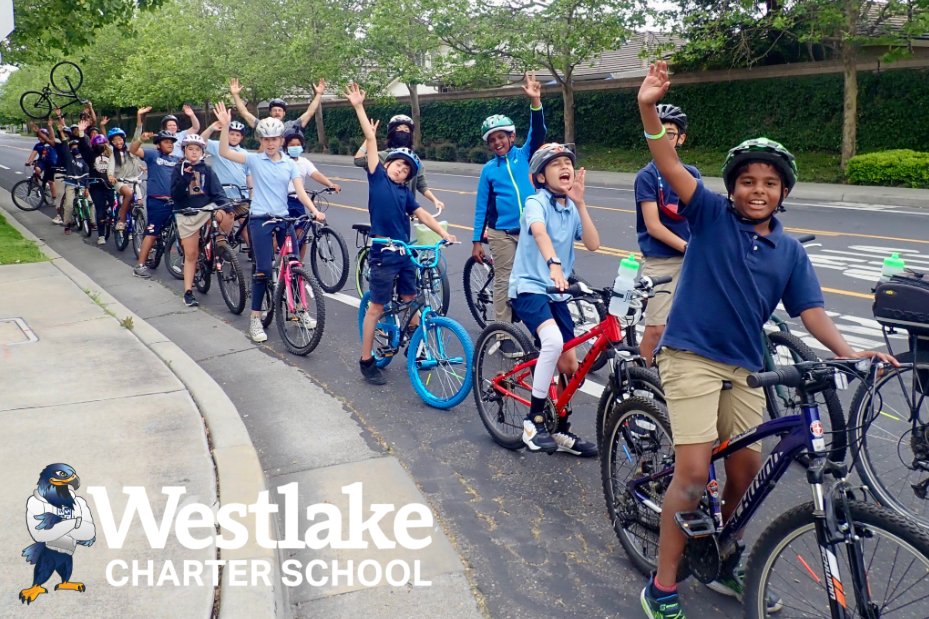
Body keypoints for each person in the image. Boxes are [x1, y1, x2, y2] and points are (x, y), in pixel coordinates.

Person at [635, 61, 898, 619]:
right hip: (690, 358)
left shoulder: (790, 252)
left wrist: (850, 353)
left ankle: (722, 556)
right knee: (691, 471)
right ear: (732, 188)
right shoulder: (708, 215)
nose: (758, 191)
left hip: (746, 366)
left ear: (783, 193)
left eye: (770, 184)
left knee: (747, 471)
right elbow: (668, 161)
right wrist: (647, 109)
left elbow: (810, 311)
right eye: (748, 181)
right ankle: (661, 585)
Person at [345, 83, 455, 385]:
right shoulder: (377, 178)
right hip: (382, 253)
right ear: (386, 164)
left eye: (407, 170)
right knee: (376, 307)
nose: (401, 171)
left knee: (411, 298)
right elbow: (369, 139)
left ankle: (419, 347)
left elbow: (422, 214)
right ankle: (366, 360)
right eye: (397, 165)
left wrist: (445, 236)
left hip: (405, 252)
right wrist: (359, 107)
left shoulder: (405, 194)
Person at [507, 143, 600, 456]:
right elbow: (539, 232)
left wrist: (582, 204)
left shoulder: (570, 207)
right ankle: (533, 421)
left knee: (570, 364)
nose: (564, 167)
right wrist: (554, 264)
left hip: (556, 292)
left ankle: (561, 429)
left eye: (567, 162)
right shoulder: (537, 202)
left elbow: (593, 244)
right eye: (555, 163)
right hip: (530, 287)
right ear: (540, 177)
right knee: (552, 342)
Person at [212, 101, 326, 344]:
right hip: (260, 220)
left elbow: (300, 192)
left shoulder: (289, 164)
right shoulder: (253, 160)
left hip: (284, 220)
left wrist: (315, 210)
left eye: (275, 138)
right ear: (260, 141)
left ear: (281, 140)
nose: (271, 143)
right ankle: (255, 319)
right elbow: (224, 152)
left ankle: (300, 312)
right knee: (263, 270)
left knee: (294, 266)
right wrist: (223, 127)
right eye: (266, 139)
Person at [472, 73, 546, 324]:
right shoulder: (489, 170)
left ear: (512, 137)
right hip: (501, 232)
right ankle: (502, 330)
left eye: (501, 136)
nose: (497, 142)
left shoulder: (525, 154)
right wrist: (476, 241)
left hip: (530, 227)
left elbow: (538, 132)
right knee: (504, 278)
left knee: (537, 275)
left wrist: (535, 102)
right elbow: (481, 207)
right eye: (492, 140)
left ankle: (540, 324)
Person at [633, 103, 700, 367]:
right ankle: (640, 383)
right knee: (656, 329)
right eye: (657, 132)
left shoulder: (691, 174)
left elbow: (701, 215)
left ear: (681, 138)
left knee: (690, 325)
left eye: (669, 133)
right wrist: (688, 247)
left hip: (691, 260)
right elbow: (654, 226)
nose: (663, 138)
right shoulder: (646, 177)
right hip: (661, 261)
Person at [170, 133, 228, 307]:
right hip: (186, 212)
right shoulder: (178, 169)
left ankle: (219, 246)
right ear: (184, 151)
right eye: (190, 149)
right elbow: (175, 194)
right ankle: (188, 292)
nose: (194, 153)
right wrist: (185, 178)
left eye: (198, 149)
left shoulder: (207, 169)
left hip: (205, 209)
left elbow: (217, 191)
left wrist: (225, 204)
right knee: (191, 254)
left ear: (202, 152)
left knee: (224, 214)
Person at [353, 114, 445, 213]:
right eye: (399, 129)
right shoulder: (381, 156)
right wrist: (369, 137)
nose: (402, 132)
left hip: (404, 210)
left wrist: (435, 200)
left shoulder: (414, 160)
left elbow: (421, 184)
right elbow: (358, 160)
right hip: (383, 210)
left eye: (406, 130)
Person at [129, 126, 181, 278]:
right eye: (166, 142)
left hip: (175, 202)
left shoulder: (176, 159)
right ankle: (139, 266)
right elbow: (133, 150)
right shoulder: (153, 155)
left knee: (183, 232)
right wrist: (140, 140)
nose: (170, 144)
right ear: (158, 144)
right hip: (158, 202)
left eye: (172, 142)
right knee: (152, 233)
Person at [283, 129, 342, 259]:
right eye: (292, 145)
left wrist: (330, 185)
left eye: (297, 144)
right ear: (286, 146)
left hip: (298, 201)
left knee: (301, 237)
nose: (295, 147)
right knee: (281, 236)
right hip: (282, 201)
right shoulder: (282, 161)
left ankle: (299, 269)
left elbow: (316, 174)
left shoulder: (304, 162)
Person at [229, 77, 326, 135]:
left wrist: (318, 95)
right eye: (274, 110)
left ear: (284, 113)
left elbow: (309, 113)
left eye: (280, 110)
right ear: (270, 113)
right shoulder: (263, 125)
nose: (277, 112)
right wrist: (235, 95)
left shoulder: (291, 125)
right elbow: (245, 113)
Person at [74, 119, 113, 246]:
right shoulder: (91, 155)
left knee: (116, 205)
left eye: (103, 144)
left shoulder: (111, 155)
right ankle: (101, 235)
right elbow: (83, 147)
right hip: (96, 185)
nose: (101, 146)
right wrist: (80, 132)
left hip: (110, 185)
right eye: (98, 144)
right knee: (100, 209)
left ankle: (119, 226)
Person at [104, 127, 145, 230]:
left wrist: (140, 167)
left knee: (139, 203)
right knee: (129, 194)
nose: (118, 142)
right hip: (120, 181)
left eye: (120, 139)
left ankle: (137, 225)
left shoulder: (130, 151)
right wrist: (110, 176)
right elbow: (111, 167)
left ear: (124, 139)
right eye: (115, 140)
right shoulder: (113, 155)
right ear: (112, 142)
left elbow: (136, 137)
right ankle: (121, 220)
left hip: (133, 179)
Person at [26, 125, 60, 209]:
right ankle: (37, 183)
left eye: (42, 136)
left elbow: (52, 137)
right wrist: (29, 161)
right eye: (39, 136)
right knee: (37, 169)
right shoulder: (38, 145)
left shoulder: (51, 143)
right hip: (42, 162)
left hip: (51, 163)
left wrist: (50, 126)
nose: (40, 138)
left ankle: (54, 198)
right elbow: (33, 154)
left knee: (51, 182)